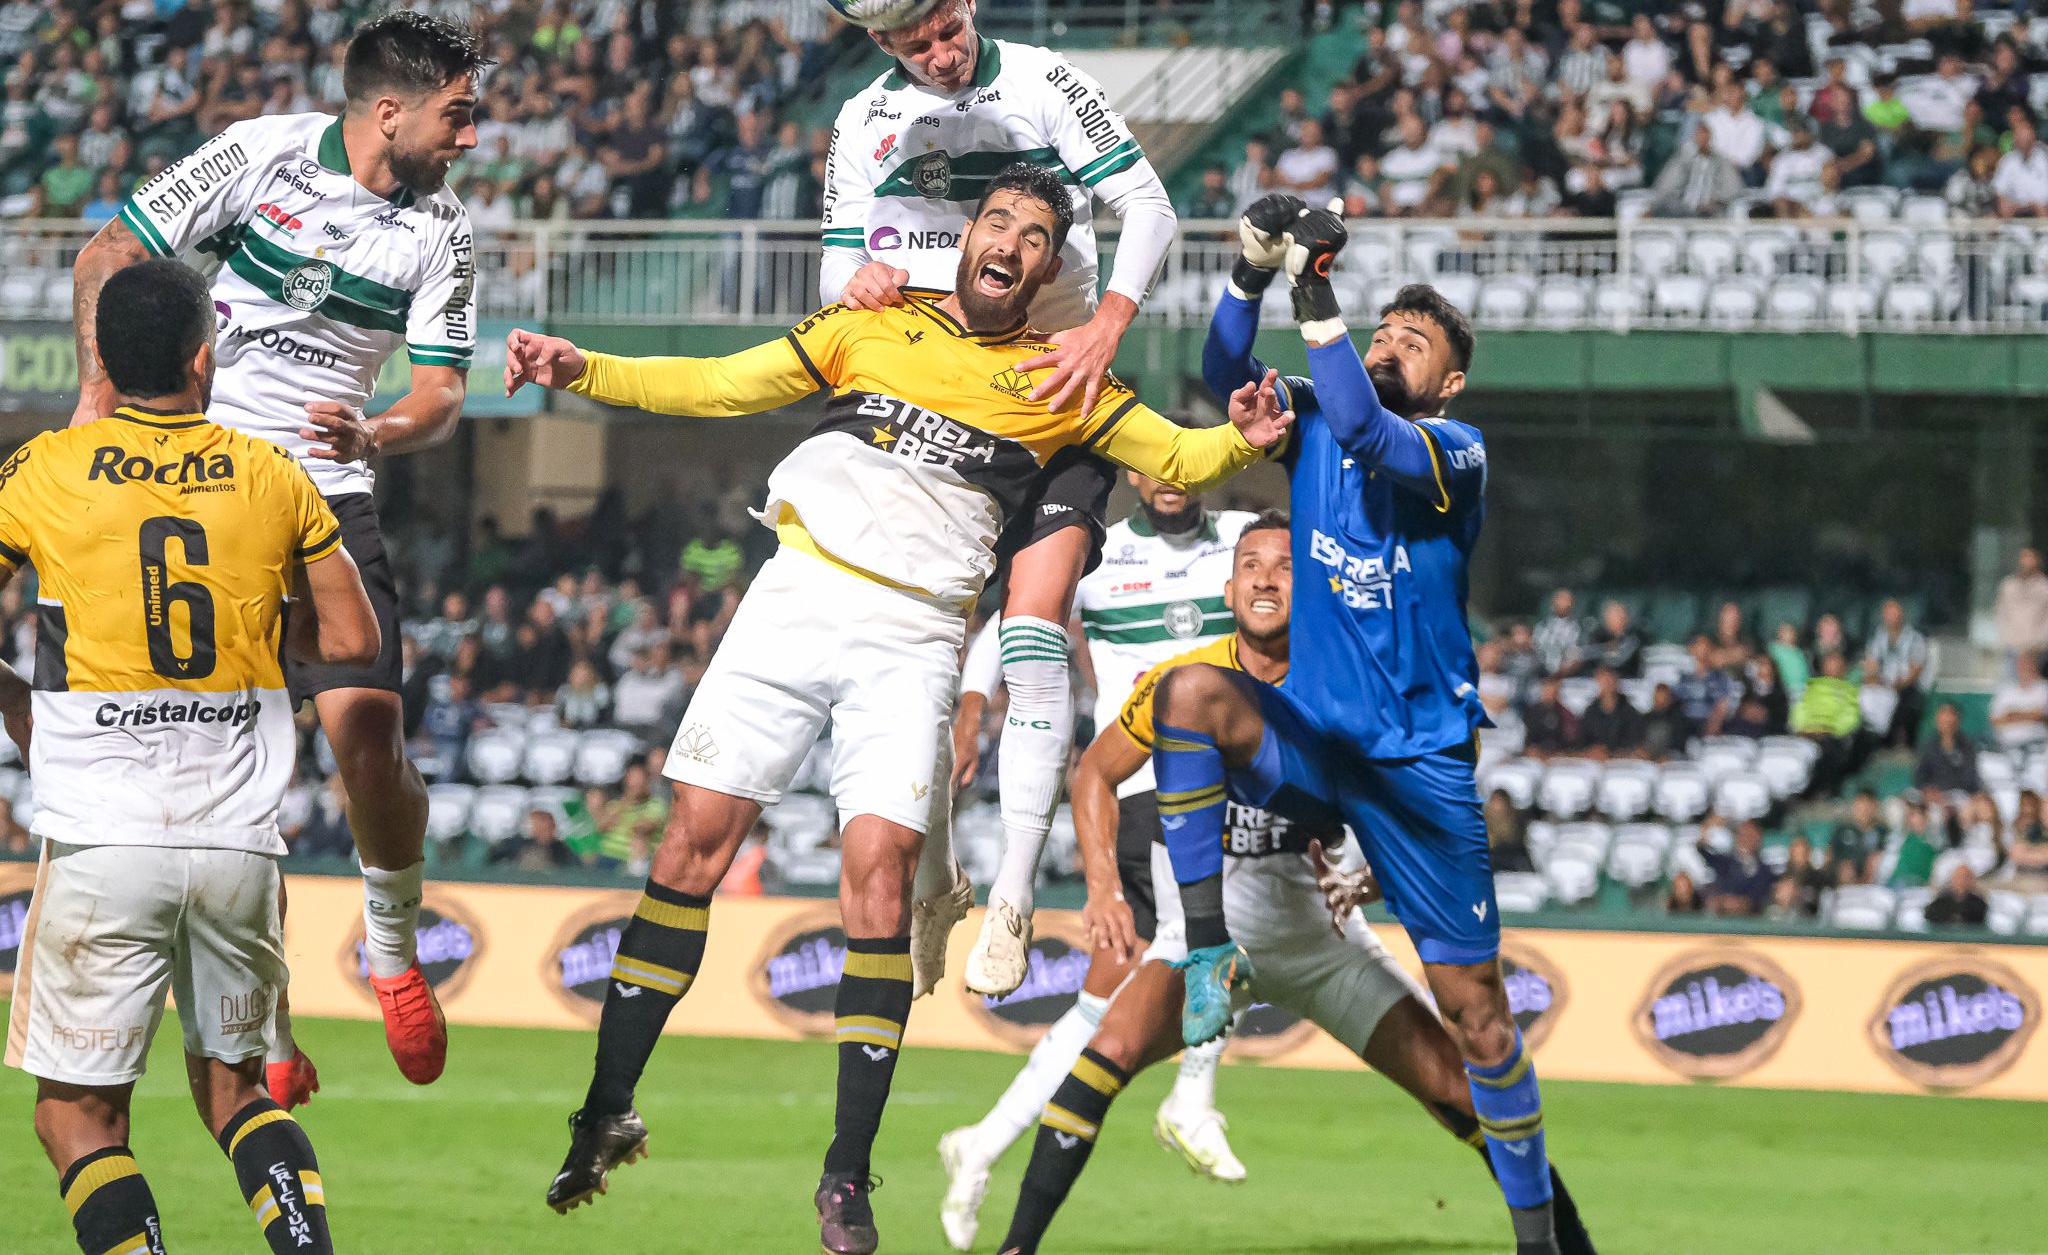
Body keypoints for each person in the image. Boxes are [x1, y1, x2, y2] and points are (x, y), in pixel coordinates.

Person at [504, 164, 1288, 1250]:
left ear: (1049, 268)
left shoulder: (1063, 377)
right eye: (998, 220)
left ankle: (845, 1177)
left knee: (875, 877)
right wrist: (579, 365)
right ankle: (604, 1111)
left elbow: (1183, 455)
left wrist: (1247, 432)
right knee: (690, 844)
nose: (1011, 239)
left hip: (916, 633)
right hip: (793, 594)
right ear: (966, 238)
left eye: (1036, 232)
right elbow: (719, 386)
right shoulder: (870, 323)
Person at [988, 514, 1599, 1255]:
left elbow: (1428, 792)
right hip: (1205, 939)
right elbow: (1094, 772)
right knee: (1099, 1063)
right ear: (1229, 585)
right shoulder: (1189, 682)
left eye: (1283, 566)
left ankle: (1571, 1243)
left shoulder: (1344, 683)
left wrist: (1370, 875)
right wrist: (1103, 886)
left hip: (1321, 939)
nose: (1265, 578)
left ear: (1312, 592)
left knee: (1465, 1096)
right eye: (1250, 565)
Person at [68, 10, 486, 1091]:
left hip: (329, 492)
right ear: (387, 112)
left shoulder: (443, 230)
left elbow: (441, 388)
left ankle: (393, 956)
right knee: (231, 780)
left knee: (368, 731)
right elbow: (111, 251)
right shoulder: (258, 155)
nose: (472, 139)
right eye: (458, 114)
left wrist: (380, 428)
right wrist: (92, 401)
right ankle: (272, 1023)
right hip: (204, 498)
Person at [1175, 197, 1575, 1254]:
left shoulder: (1455, 449)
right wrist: (1253, 271)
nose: (1392, 344)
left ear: (1448, 381)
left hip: (1415, 771)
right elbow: (1219, 374)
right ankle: (1204, 949)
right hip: (1314, 745)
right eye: (1383, 331)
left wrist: (1316, 287)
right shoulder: (1311, 409)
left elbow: (1363, 425)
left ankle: (1540, 1237)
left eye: (1415, 342)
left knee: (1477, 1020)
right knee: (1187, 698)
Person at [819, 0, 1183, 997]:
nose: (939, 53)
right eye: (912, 43)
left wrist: (1108, 324)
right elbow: (830, 274)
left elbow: (1149, 209)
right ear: (881, 45)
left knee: (1031, 629)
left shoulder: (1046, 82)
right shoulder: (863, 124)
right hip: (942, 405)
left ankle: (1016, 894)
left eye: (945, 26)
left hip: (1057, 403)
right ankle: (939, 879)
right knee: (922, 668)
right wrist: (862, 278)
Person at [2, 258, 380, 1255]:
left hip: (101, 841)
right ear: (203, 356)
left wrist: (22, 705)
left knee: (77, 1120)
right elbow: (350, 641)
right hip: (235, 840)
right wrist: (257, 626)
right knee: (238, 1094)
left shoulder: (41, 470)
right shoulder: (270, 472)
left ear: (102, 359)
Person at [941, 473, 1265, 1224]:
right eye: (1154, 465)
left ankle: (981, 1144)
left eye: (1185, 467)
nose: (1170, 481)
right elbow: (1007, 626)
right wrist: (972, 705)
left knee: (1103, 998)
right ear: (1136, 476)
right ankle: (1194, 1098)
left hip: (1229, 778)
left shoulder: (1248, 544)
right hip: (1144, 785)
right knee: (1223, 925)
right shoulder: (1105, 552)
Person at [1863, 597, 1929, 748]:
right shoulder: (1878, 638)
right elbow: (1871, 665)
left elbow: (1915, 673)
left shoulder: (1915, 639)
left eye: (1895, 615)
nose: (1892, 619)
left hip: (1908, 687)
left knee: (1905, 700)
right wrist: (1876, 681)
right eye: (1888, 615)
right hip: (1883, 685)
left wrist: (1894, 686)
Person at [1794, 651, 1863, 793]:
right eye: (1829, 665)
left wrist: (1828, 730)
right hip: (1807, 732)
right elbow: (1799, 710)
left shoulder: (1849, 689)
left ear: (1844, 668)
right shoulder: (1811, 687)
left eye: (1837, 665)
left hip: (1831, 736)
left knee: (1829, 751)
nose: (1832, 668)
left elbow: (1851, 717)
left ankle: (1821, 791)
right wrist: (1805, 729)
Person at [1994, 547, 2048, 676]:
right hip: (2011, 649)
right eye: (2024, 559)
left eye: (2030, 559)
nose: (2026, 563)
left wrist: (2039, 643)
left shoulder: (2043, 588)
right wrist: (2006, 639)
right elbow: (2001, 615)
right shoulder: (2008, 586)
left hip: (2035, 651)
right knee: (2008, 685)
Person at [1990, 650, 2048, 765]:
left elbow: (2042, 717)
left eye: (2028, 664)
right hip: (2007, 747)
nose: (2024, 668)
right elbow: (1995, 720)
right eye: (2021, 664)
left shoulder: (2043, 689)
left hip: (2038, 747)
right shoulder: (2006, 691)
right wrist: (2031, 715)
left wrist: (2012, 715)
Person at [1914, 700, 1980, 796]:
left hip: (1958, 795)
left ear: (1957, 721)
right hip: (1932, 795)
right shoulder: (1929, 746)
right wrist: (1930, 790)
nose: (1945, 722)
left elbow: (1969, 780)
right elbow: (1919, 777)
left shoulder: (1967, 747)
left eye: (1949, 717)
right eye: (1942, 717)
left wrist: (1944, 792)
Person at [1576, 666, 1642, 759]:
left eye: (1609, 681)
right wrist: (1593, 750)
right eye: (1603, 681)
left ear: (1615, 681)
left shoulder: (1628, 711)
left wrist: (1614, 753)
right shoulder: (1591, 712)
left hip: (1622, 760)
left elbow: (1634, 740)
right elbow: (1583, 740)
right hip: (1596, 760)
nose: (1606, 685)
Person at [1829, 790, 1891, 885]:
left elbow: (1887, 859)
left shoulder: (1883, 833)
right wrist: (1840, 867)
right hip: (1844, 880)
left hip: (1873, 883)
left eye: (1867, 807)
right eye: (1860, 806)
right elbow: (1829, 855)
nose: (1863, 811)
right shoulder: (1842, 830)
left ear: (1875, 807)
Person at [491, 807, 578, 869]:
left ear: (553, 828)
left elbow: (571, 869)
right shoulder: (513, 844)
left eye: (545, 828)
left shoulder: (561, 850)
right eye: (537, 827)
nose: (541, 832)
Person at [1580, 599, 1641, 677]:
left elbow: (1618, 659)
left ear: (1627, 619)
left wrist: (1602, 651)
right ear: (1606, 620)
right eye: (1614, 616)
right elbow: (1584, 654)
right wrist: (1606, 648)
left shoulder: (1633, 640)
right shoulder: (1598, 637)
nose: (1618, 619)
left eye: (1620, 615)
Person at [1522, 677, 1578, 758]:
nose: (1550, 693)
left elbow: (1569, 738)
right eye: (1547, 689)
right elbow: (1528, 737)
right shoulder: (1532, 712)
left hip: (1558, 754)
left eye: (1553, 690)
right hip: (1535, 753)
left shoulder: (1564, 713)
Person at [1487, 790, 1537, 872]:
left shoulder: (1518, 824)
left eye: (1499, 802)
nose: (1495, 806)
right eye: (1493, 801)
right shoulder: (1483, 825)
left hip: (1512, 865)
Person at [1924, 862, 1988, 926]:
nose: (1962, 881)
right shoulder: (1941, 902)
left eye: (1966, 878)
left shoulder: (1978, 903)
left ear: (1972, 881)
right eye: (1959, 877)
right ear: (1953, 879)